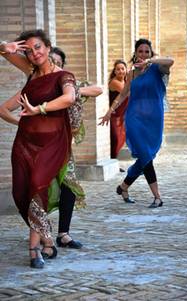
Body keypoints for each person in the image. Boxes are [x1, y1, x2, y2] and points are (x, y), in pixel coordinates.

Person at [0, 44, 103, 251]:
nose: (52, 65)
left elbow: (98, 89)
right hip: (37, 148)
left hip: (62, 147)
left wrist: (71, 89)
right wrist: (22, 123)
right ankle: (42, 234)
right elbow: (5, 109)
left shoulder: (67, 82)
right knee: (36, 188)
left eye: (57, 62)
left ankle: (63, 234)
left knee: (68, 186)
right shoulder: (35, 89)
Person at [0, 29, 77, 268]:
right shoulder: (31, 72)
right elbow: (2, 50)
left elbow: (69, 98)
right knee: (22, 192)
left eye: (38, 47)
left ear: (48, 47)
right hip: (24, 145)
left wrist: (39, 109)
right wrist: (8, 47)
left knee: (36, 189)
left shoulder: (63, 76)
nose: (34, 53)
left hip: (51, 146)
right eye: (29, 50)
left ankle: (34, 250)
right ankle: (47, 239)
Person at [99, 38, 174, 207]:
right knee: (145, 156)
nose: (143, 54)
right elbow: (123, 94)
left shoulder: (158, 69)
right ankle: (157, 197)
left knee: (146, 155)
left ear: (151, 53)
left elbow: (171, 61)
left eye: (147, 51)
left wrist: (151, 60)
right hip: (134, 119)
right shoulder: (131, 73)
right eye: (140, 51)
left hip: (154, 120)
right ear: (135, 53)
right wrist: (109, 111)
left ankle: (124, 187)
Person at [108, 59, 128, 159]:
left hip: (122, 115)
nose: (120, 71)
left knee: (121, 138)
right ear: (114, 71)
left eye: (122, 69)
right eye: (118, 69)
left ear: (126, 70)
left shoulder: (126, 81)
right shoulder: (115, 82)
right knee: (115, 138)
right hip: (114, 115)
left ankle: (114, 160)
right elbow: (127, 92)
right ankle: (112, 159)